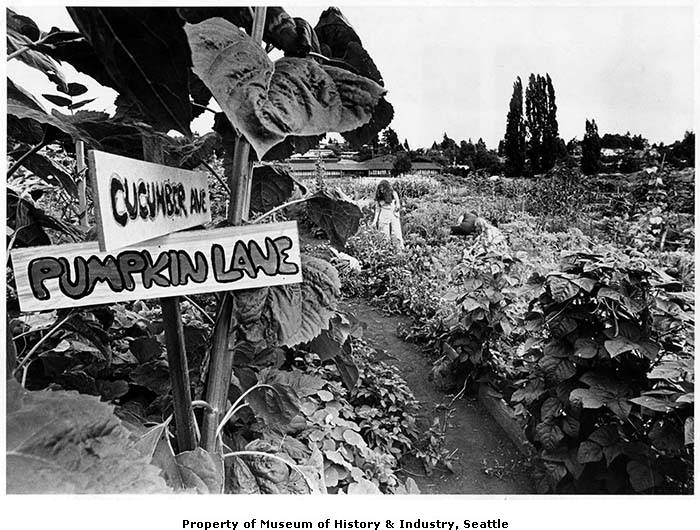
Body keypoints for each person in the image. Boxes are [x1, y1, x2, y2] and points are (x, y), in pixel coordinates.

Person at [371, 179, 404, 247]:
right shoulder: (379, 196)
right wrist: (375, 221)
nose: (381, 190)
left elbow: (398, 203)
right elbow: (377, 209)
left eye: (383, 189)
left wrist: (397, 206)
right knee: (383, 233)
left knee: (396, 232)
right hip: (384, 213)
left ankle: (399, 249)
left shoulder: (393, 193)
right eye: (380, 189)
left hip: (393, 213)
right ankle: (386, 249)